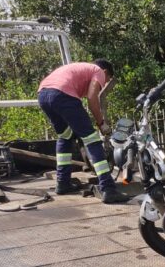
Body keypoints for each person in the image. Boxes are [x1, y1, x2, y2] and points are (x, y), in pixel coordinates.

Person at [37, 59, 126, 204]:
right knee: (91, 139)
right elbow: (92, 99)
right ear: (105, 72)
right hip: (61, 94)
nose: (104, 84)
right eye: (106, 80)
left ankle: (63, 183)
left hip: (43, 94)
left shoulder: (79, 69)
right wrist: (101, 123)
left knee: (65, 136)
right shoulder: (98, 71)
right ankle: (108, 189)